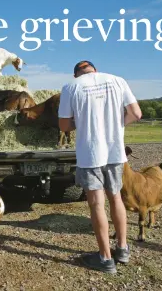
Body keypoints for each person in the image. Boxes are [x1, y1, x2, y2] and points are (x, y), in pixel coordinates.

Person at [58, 60, 142, 273]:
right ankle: (122, 249)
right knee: (115, 197)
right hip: (115, 152)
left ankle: (105, 258)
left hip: (90, 154)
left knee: (96, 204)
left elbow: (64, 125)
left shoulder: (71, 87)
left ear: (77, 74)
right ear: (94, 69)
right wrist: (115, 125)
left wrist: (85, 122)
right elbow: (136, 114)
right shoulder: (117, 80)